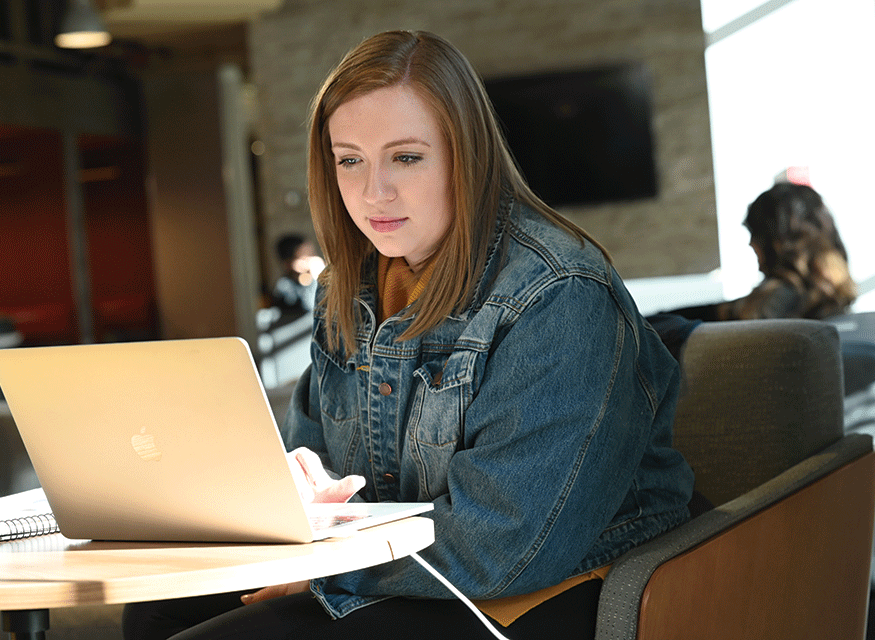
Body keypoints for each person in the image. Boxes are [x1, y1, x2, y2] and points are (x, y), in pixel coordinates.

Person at [122, 29, 694, 640]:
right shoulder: (344, 289)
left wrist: (326, 567)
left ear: (464, 156)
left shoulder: (559, 293)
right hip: (405, 569)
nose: (374, 192)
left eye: (406, 157)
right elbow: (320, 473)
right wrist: (295, 500)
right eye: (350, 160)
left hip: (559, 586)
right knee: (157, 613)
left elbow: (504, 544)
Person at [660, 182, 856, 322]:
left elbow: (723, 313)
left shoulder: (775, 303)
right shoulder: (835, 300)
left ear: (775, 241)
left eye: (754, 233)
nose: (750, 244)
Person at [270, 233, 325, 317]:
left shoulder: (311, 280)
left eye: (312, 255)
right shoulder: (284, 286)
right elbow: (313, 310)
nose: (311, 261)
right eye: (304, 258)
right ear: (288, 263)